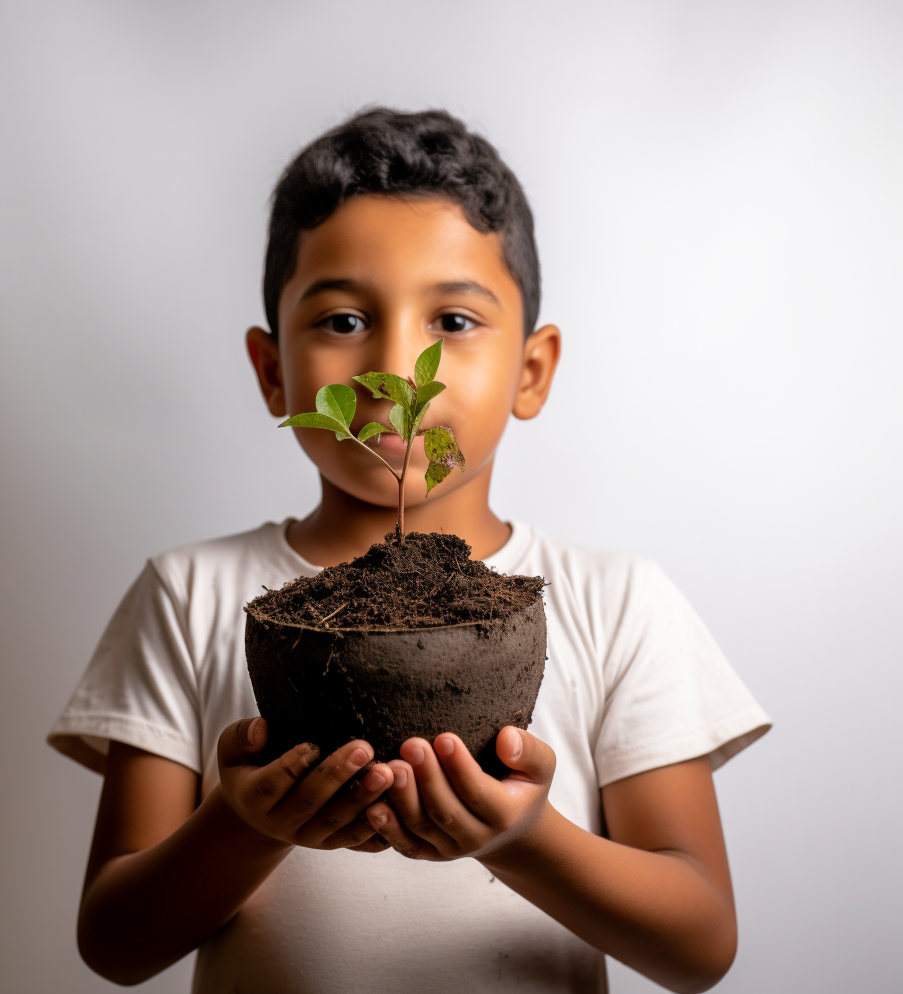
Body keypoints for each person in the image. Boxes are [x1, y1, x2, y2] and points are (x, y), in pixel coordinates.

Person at [48, 107, 771, 994]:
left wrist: (526, 840)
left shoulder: (615, 601)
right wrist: (245, 825)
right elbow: (115, 944)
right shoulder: (191, 592)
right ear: (274, 371)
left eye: (454, 322)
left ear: (531, 371)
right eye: (345, 320)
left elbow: (699, 945)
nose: (394, 369)